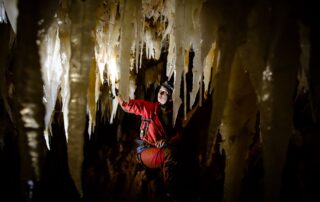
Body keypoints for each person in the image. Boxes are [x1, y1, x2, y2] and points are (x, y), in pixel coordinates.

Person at [116, 80, 182, 199]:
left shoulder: (174, 115)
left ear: (171, 98)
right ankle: (171, 193)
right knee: (170, 154)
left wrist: (167, 142)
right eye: (160, 91)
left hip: (159, 150)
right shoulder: (149, 109)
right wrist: (117, 92)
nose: (160, 94)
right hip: (145, 150)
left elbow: (178, 135)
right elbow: (128, 106)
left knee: (175, 152)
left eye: (164, 92)